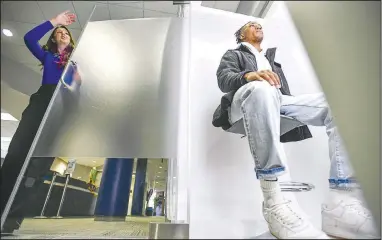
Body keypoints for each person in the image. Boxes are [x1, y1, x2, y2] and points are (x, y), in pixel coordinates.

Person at [212, 21, 378, 239]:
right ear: (241, 36)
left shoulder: (272, 59)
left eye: (258, 24)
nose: (257, 25)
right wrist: (248, 75)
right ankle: (273, 200)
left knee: (338, 104)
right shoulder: (234, 54)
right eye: (251, 25)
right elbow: (224, 79)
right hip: (243, 99)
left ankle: (343, 199)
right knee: (262, 89)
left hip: (275, 99)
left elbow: (282, 95)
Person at [1, 11, 79, 234]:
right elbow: (28, 38)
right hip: (43, 99)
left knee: (39, 165)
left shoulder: (76, 63)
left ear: (71, 41)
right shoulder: (48, 56)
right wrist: (56, 21)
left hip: (63, 106)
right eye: (59, 33)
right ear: (54, 39)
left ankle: (12, 218)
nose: (62, 34)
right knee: (17, 153)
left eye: (66, 33)